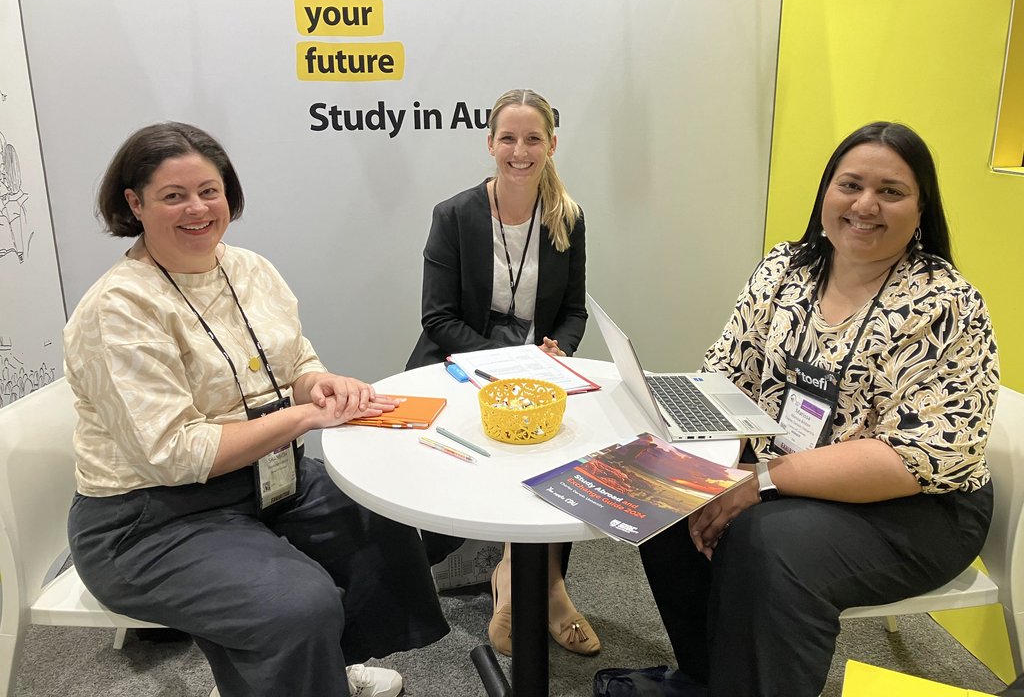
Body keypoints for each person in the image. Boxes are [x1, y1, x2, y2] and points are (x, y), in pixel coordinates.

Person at [64, 122, 450, 697]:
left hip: (265, 480)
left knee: (380, 515)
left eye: (209, 191)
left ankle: (313, 674)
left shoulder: (249, 269)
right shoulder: (118, 309)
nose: (197, 208)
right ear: (135, 204)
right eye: (173, 195)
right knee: (295, 606)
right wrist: (303, 417)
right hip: (149, 518)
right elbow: (175, 455)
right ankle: (291, 674)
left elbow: (295, 361)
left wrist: (318, 384)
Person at [635, 122, 998, 697]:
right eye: (850, 185)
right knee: (670, 497)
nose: (865, 205)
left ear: (922, 208)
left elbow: (918, 459)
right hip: (782, 476)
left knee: (766, 543)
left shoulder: (945, 303)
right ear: (826, 191)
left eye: (891, 191)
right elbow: (726, 375)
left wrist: (759, 481)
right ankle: (705, 679)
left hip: (916, 507)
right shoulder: (785, 269)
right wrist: (704, 466)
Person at [406, 88, 596, 656]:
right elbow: (438, 318)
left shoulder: (567, 217)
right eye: (508, 138)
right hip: (460, 362)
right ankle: (515, 580)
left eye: (533, 138)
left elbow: (574, 311)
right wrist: (502, 365)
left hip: (536, 366)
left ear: (551, 145)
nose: (520, 150)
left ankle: (544, 585)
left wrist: (558, 350)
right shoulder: (454, 215)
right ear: (490, 144)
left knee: (563, 452)